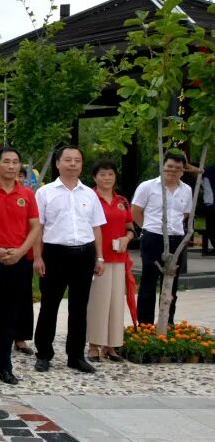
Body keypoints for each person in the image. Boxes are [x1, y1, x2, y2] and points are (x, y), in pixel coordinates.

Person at [33, 146, 106, 374]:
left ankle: (76, 356)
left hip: (84, 254)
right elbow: (38, 228)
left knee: (79, 307)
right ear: (58, 163)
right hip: (54, 254)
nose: (72, 164)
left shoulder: (89, 194)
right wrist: (37, 257)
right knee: (49, 305)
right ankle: (44, 354)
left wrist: (99, 257)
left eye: (77, 160)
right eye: (68, 160)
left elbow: (96, 227)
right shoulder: (45, 193)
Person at [0, 146, 41, 385]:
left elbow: (35, 227)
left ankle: (3, 367)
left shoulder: (28, 194)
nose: (11, 166)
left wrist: (21, 252)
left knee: (9, 316)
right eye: (6, 161)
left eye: (15, 162)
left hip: (18, 262)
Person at [133, 152, 193, 326]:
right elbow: (136, 211)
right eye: (170, 166)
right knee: (148, 283)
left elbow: (185, 214)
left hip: (177, 240)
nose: (173, 171)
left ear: (183, 170)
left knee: (171, 285)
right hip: (153, 237)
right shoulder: (148, 186)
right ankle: (145, 326)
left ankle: (167, 324)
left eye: (178, 168)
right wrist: (148, 228)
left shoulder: (187, 190)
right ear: (163, 166)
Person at [88, 160, 133, 362]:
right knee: (98, 301)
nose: (107, 178)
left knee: (116, 302)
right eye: (102, 174)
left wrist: (127, 238)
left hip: (119, 256)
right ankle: (94, 345)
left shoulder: (122, 200)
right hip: (98, 257)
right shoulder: (89, 197)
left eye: (110, 174)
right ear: (94, 177)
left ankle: (111, 345)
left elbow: (130, 227)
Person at [199, 164, 214, 256]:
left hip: (212, 204)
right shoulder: (204, 176)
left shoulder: (210, 170)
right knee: (210, 228)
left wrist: (187, 165)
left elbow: (198, 170)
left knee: (211, 228)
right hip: (209, 204)